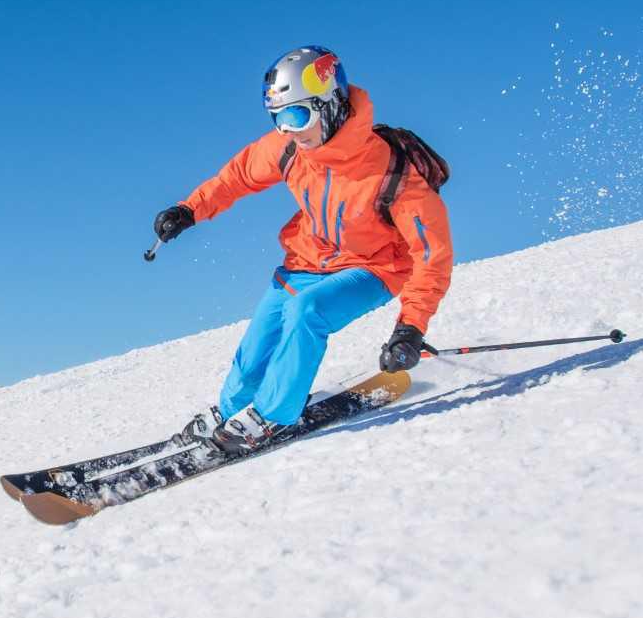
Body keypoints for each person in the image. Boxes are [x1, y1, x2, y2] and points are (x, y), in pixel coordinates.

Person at [153, 45, 453, 454]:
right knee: (262, 334)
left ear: (329, 105)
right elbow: (237, 176)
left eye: (296, 115)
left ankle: (274, 416)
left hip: (375, 267)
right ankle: (231, 410)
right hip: (308, 259)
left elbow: (431, 254)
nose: (287, 129)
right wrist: (190, 209)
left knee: (307, 311)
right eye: (278, 118)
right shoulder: (291, 149)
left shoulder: (392, 173)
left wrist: (410, 328)